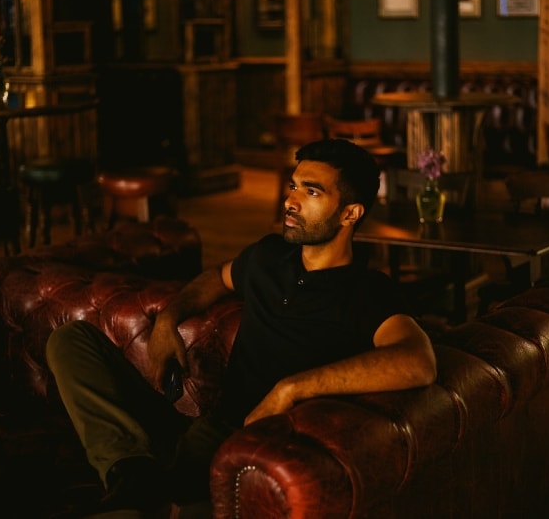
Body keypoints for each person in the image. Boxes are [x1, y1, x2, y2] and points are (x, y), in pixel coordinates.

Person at [46, 138, 438, 517]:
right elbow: (216, 278)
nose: (291, 201)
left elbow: (418, 361)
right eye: (293, 186)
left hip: (250, 449)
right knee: (71, 340)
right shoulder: (269, 256)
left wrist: (292, 388)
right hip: (199, 427)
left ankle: (140, 483)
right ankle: (134, 474)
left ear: (350, 213)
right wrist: (168, 319)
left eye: (312, 192)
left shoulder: (368, 291)